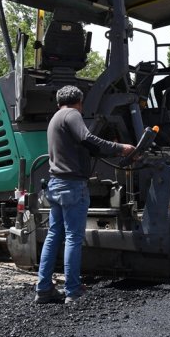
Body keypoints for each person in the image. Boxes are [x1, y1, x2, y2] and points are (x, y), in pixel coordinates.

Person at [35, 86, 135, 304]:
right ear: (80, 102)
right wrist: (120, 148)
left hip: (56, 183)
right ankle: (72, 290)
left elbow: (83, 145)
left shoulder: (55, 118)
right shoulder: (72, 114)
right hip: (72, 185)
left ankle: (43, 289)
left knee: (53, 236)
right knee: (73, 237)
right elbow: (87, 138)